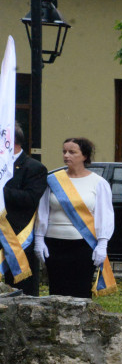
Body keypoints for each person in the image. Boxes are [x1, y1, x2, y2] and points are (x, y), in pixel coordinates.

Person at [34, 137, 116, 298]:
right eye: (64, 151)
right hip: (54, 245)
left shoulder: (98, 183)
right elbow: (42, 211)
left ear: (84, 156)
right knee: (57, 289)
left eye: (72, 152)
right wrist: (39, 239)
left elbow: (105, 215)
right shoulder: (52, 181)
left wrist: (102, 243)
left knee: (80, 290)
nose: (66, 155)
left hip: (82, 245)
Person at [2, 126, 48, 295]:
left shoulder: (34, 167)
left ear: (11, 141)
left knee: (21, 293)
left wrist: (1, 191)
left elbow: (30, 199)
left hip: (18, 237)